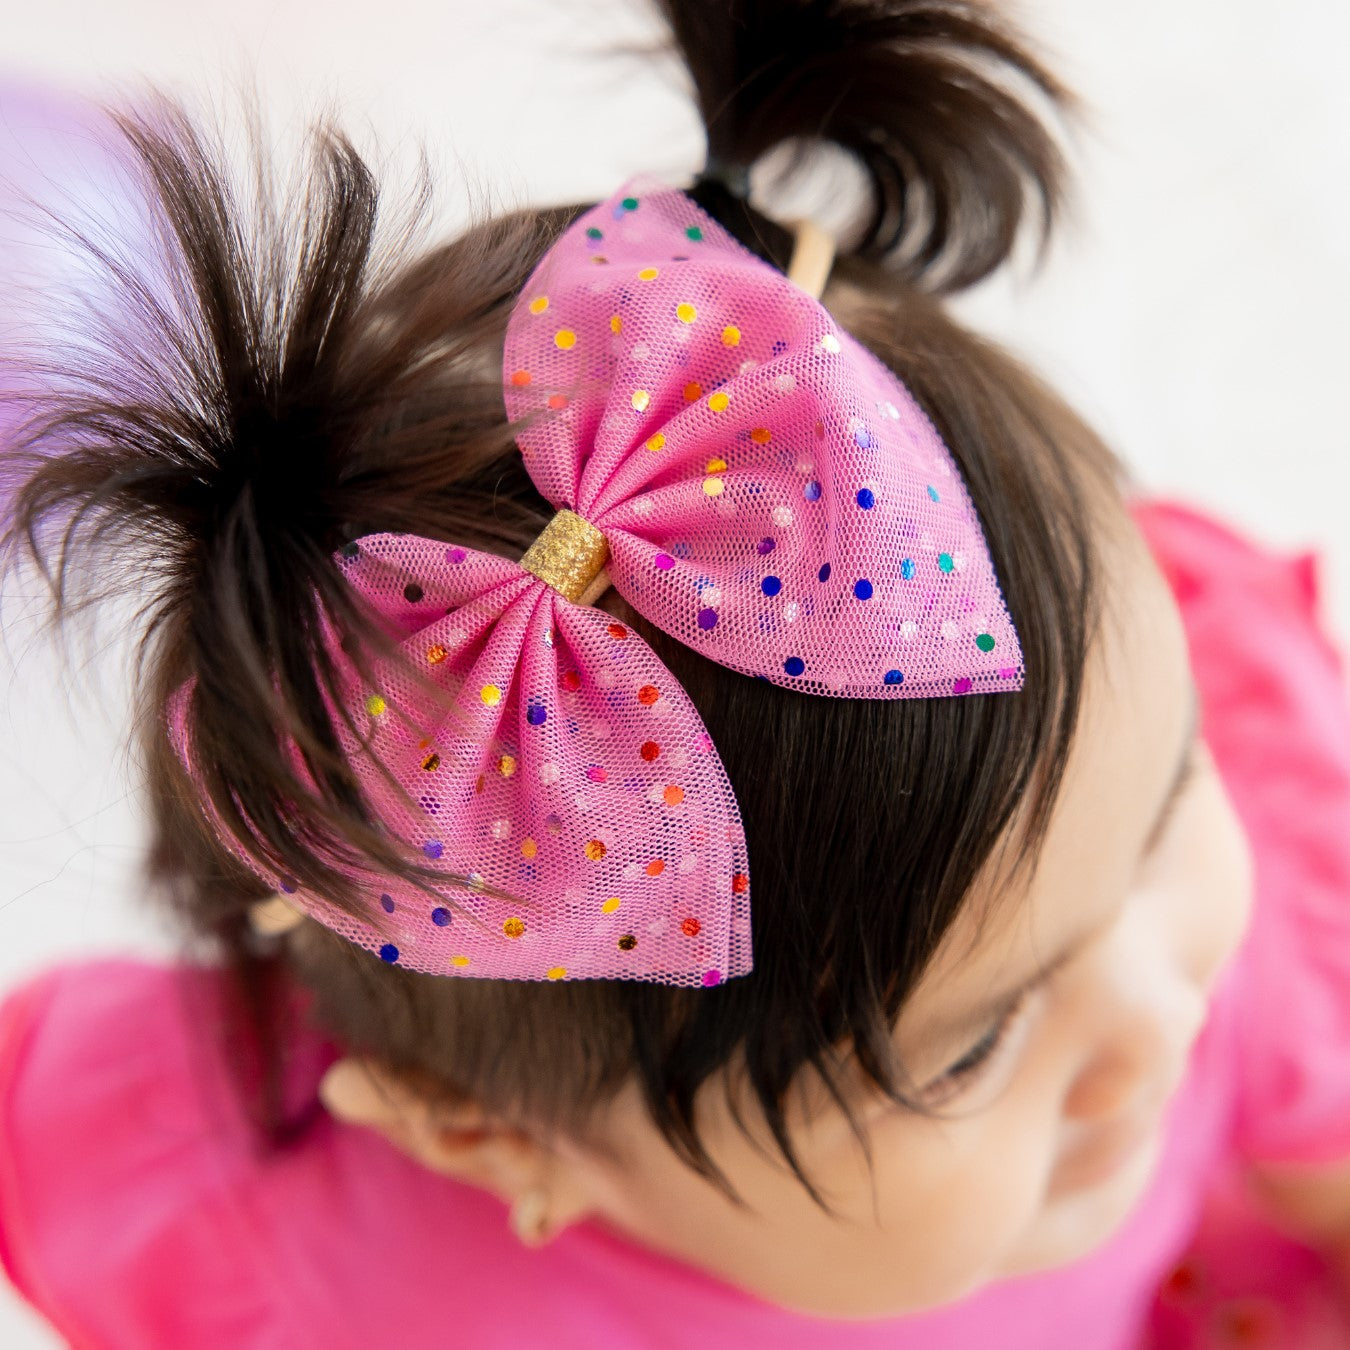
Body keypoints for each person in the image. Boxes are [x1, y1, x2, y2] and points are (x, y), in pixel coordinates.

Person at [1, 1, 1350, 1345]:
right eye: (971, 1049)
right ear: (488, 1137)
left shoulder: (1195, 926)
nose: (1160, 1017)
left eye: (1174, 793)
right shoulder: (340, 1284)